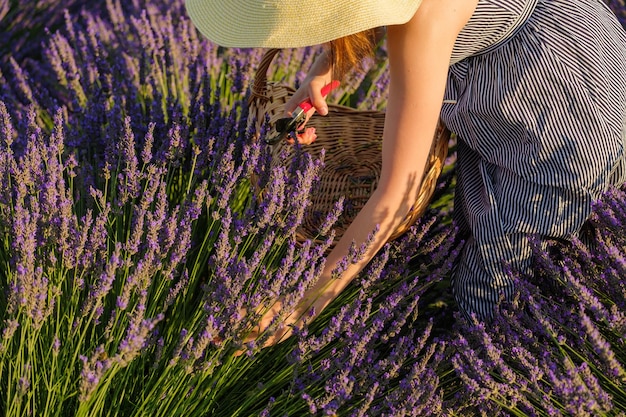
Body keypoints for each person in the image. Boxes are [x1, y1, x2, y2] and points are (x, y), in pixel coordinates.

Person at [186, 0, 626, 343]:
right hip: (587, 54)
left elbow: (395, 196)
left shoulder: (425, 22)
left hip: (560, 133)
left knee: (489, 299)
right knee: (476, 227)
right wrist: (329, 67)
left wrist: (304, 302)